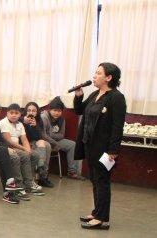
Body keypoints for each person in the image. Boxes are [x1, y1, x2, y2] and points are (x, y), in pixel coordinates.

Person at [74, 62, 126, 230]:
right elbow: (79, 110)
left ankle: (103, 219)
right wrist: (78, 95)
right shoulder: (96, 93)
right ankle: (97, 212)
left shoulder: (116, 97)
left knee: (102, 181)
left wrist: (113, 151)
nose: (94, 76)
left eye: (98, 73)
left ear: (109, 77)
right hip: (90, 145)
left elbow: (117, 126)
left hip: (105, 149)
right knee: (95, 180)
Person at [0, 104, 45, 195]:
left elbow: (24, 139)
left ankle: (28, 181)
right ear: (7, 113)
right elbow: (8, 141)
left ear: (20, 114)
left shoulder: (20, 124)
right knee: (24, 155)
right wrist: (24, 149)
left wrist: (28, 149)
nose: (14, 115)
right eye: (11, 113)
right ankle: (20, 184)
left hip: (18, 147)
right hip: (9, 147)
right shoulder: (3, 122)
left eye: (16, 113)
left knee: (35, 155)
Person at [41, 96, 82, 179]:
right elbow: (43, 135)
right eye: (55, 110)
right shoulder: (44, 117)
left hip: (56, 141)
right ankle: (43, 174)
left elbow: (61, 135)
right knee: (47, 144)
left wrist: (50, 134)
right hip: (44, 141)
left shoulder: (62, 119)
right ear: (50, 110)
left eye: (59, 111)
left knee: (72, 144)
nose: (57, 113)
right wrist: (54, 141)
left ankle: (71, 171)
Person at [21, 102, 53, 188]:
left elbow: (40, 136)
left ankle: (41, 171)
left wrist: (35, 126)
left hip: (35, 141)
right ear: (25, 111)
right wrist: (24, 121)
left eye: (34, 111)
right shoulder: (21, 118)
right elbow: (23, 137)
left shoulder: (39, 120)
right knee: (45, 145)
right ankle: (42, 172)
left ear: (37, 112)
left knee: (48, 145)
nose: (31, 113)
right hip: (25, 143)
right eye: (29, 110)